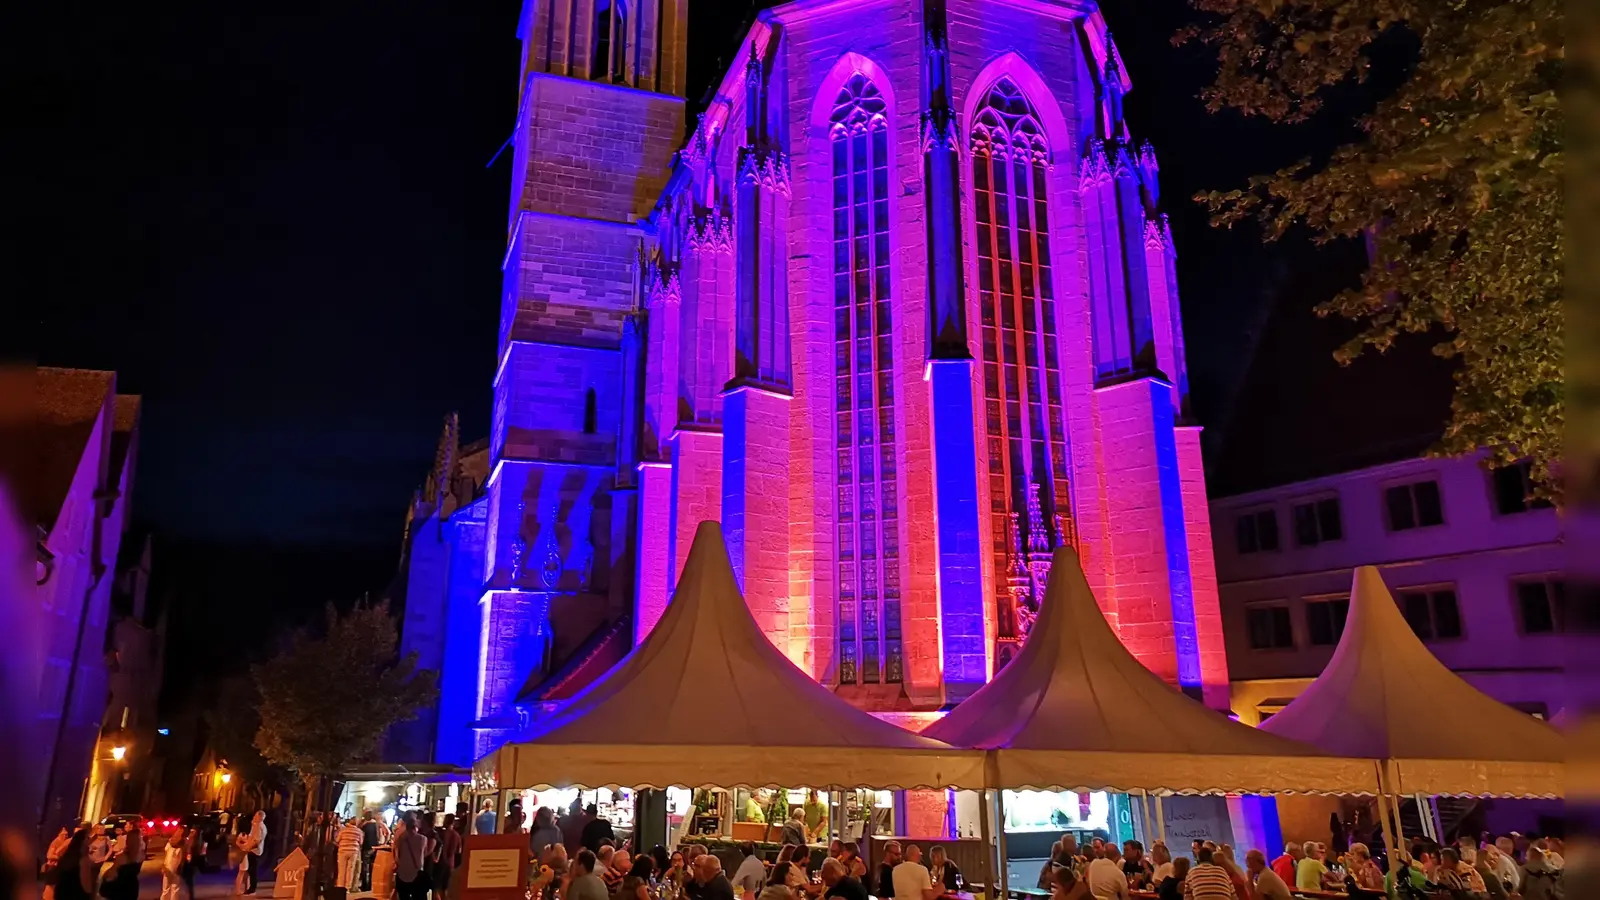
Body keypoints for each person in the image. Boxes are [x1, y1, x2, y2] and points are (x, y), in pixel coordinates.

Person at [393, 812, 430, 900]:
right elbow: (425, 853)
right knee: (418, 896)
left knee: (403, 896)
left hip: (402, 872)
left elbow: (397, 854)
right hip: (417, 872)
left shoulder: (401, 838)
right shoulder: (423, 839)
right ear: (416, 827)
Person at [334, 815, 364, 898]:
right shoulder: (359, 831)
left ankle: (340, 887)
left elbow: (337, 840)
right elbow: (361, 842)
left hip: (342, 851)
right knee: (350, 869)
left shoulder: (343, 830)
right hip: (353, 851)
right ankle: (347, 888)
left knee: (341, 869)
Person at [162, 826, 190, 900]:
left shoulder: (172, 842)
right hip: (174, 867)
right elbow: (184, 856)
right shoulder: (182, 843)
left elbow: (166, 854)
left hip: (170, 866)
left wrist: (163, 865)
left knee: (167, 888)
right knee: (173, 888)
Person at [437, 814, 462, 894]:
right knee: (447, 888)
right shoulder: (457, 835)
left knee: (438, 888)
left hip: (441, 862)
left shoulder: (441, 834)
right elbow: (459, 851)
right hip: (451, 863)